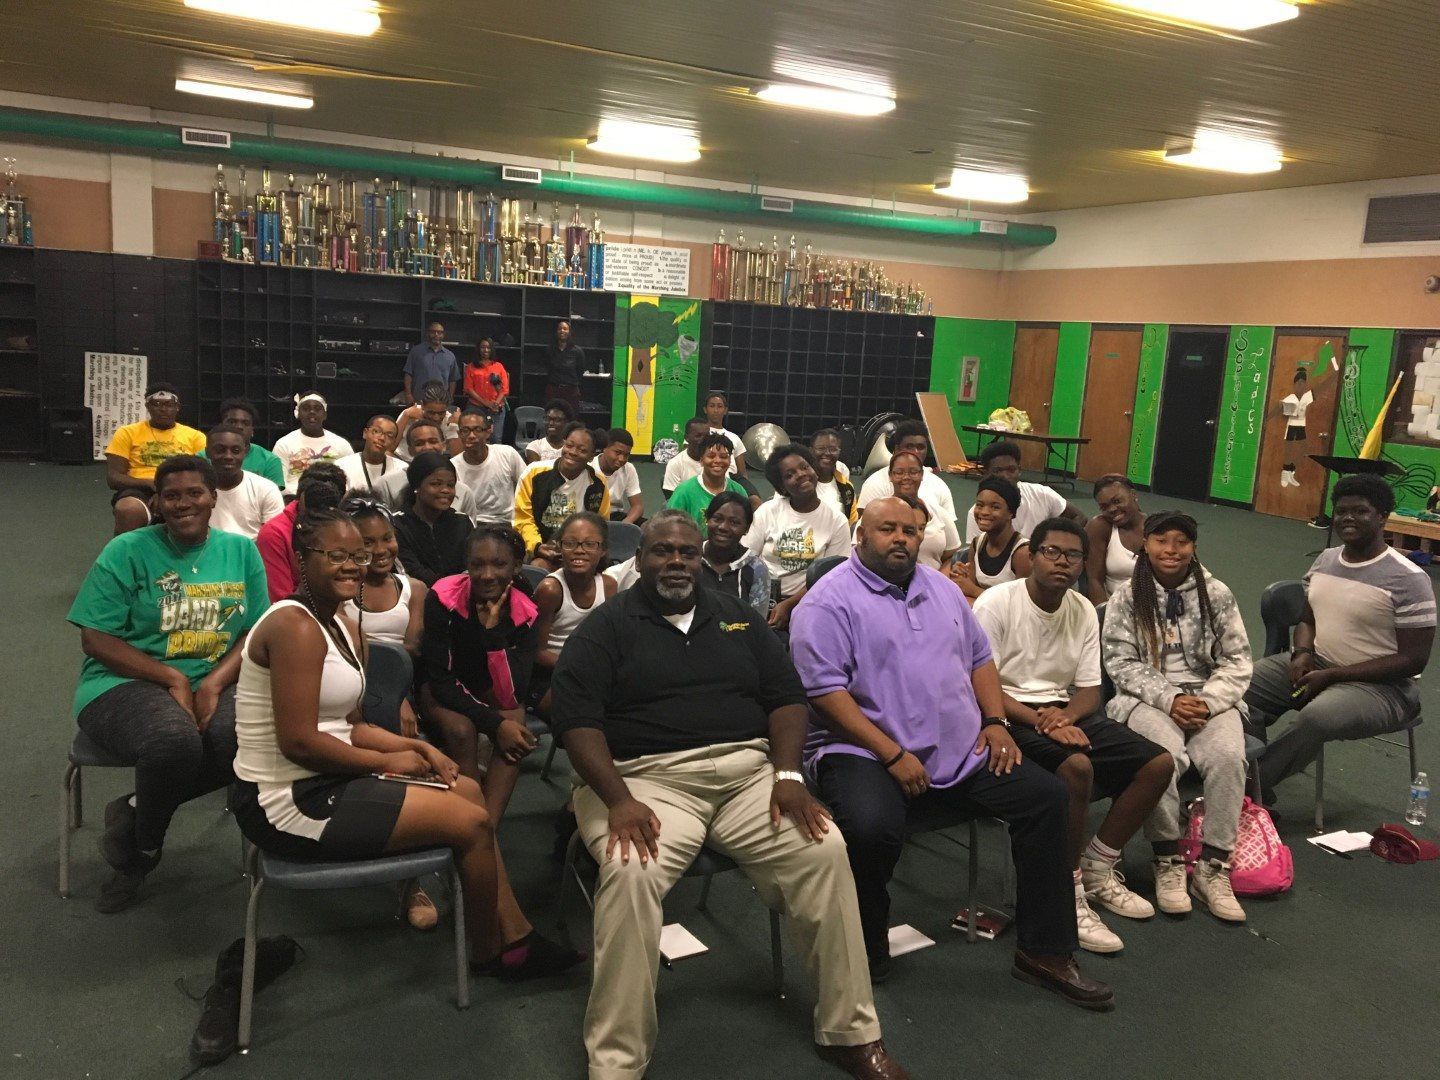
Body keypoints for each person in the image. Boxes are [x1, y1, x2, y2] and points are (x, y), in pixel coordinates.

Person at [550, 510, 908, 1080]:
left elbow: (788, 699)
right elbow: (576, 725)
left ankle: (850, 1032)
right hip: (641, 780)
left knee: (824, 848)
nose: (676, 562)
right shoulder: (606, 626)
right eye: (663, 552)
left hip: (746, 776)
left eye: (686, 553)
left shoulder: (737, 616)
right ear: (640, 559)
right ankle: (617, 1062)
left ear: (700, 559)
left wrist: (788, 776)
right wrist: (618, 800)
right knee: (630, 871)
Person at [232, 506, 579, 979]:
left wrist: (419, 750)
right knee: (473, 822)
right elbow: (301, 744)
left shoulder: (342, 624)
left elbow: (348, 723)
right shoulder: (293, 625)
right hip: (287, 798)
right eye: (336, 555)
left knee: (470, 792)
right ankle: (493, 949)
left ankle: (508, 933)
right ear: (300, 558)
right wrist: (389, 759)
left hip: (326, 776)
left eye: (358, 555)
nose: (352, 565)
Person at [791, 498, 1112, 1008]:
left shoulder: (942, 588)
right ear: (861, 535)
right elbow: (825, 695)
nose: (902, 538)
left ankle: (1044, 952)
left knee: (1046, 798)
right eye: (888, 529)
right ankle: (865, 942)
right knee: (872, 828)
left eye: (912, 531)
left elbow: (981, 661)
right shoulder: (827, 602)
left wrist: (995, 721)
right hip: (863, 748)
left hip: (956, 744)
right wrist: (892, 754)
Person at [68, 454, 268, 912]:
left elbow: (254, 634)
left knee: (242, 740)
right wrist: (172, 677)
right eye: (171, 495)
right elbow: (95, 639)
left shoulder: (240, 551)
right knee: (173, 742)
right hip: (122, 681)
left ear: (213, 498)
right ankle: (141, 855)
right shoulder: (127, 551)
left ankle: (137, 810)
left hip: (217, 677)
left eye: (194, 493)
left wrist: (214, 683)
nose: (183, 503)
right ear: (157, 502)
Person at [974, 519, 1172, 955]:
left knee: (1157, 763)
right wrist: (1043, 721)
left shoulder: (1082, 607)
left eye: (1073, 556)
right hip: (1005, 714)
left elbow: (1090, 690)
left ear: (1085, 562)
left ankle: (1098, 866)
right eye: (1052, 552)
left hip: (1062, 712)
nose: (1062, 562)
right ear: (1032, 555)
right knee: (1077, 767)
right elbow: (978, 682)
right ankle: (1069, 890)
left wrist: (1066, 716)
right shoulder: (996, 603)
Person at [1101, 511, 1251, 924]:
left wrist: (1207, 700)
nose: (1171, 550)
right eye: (1162, 540)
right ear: (1145, 544)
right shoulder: (1128, 597)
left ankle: (1214, 867)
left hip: (1209, 699)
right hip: (1146, 697)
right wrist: (1168, 699)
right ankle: (1167, 859)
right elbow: (1120, 662)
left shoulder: (1216, 593)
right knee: (1163, 759)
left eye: (1181, 541)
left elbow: (1237, 660)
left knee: (1227, 758)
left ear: (1193, 547)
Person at [1246, 474, 1434, 793]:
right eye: (1341, 510)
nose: (1348, 518)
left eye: (1360, 511)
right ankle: (1243, 766)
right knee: (1238, 687)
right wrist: (1302, 653)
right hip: (1320, 664)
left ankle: (1251, 788)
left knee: (1317, 718)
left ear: (1382, 516)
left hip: (1383, 688)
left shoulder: (1409, 579)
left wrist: (1333, 675)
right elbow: (1308, 619)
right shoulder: (1326, 560)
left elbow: (1413, 661)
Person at [419, 526, 542, 786]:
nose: (487, 575)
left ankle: (489, 824)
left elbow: (510, 695)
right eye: (477, 564)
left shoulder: (526, 610)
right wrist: (495, 724)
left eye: (499, 564)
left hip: (489, 689)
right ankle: (473, 808)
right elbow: (441, 680)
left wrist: (493, 635)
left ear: (516, 566)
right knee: (462, 730)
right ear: (467, 565)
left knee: (515, 725)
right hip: (441, 688)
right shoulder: (443, 597)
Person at [744, 444, 851, 630]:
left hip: (812, 602)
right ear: (782, 487)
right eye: (789, 474)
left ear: (814, 470)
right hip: (762, 599)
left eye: (804, 467)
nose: (801, 474)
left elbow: (831, 577)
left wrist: (789, 605)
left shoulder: (836, 520)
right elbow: (747, 558)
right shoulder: (767, 512)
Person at [106, 382, 207, 534]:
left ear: (177, 407)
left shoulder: (195, 437)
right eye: (156, 404)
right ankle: (121, 556)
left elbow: (204, 475)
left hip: (182, 489)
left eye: (169, 404)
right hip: (140, 489)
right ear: (147, 406)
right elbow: (114, 478)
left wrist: (165, 493)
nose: (163, 409)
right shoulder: (127, 432)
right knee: (128, 509)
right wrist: (149, 484)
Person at [514, 423, 610, 569]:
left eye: (582, 450)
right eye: (569, 445)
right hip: (543, 546)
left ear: (591, 457)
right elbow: (523, 518)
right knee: (539, 567)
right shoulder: (534, 473)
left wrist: (583, 549)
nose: (572, 452)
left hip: (581, 549)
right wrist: (537, 546)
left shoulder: (598, 481)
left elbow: (601, 524)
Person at [257, 461, 348, 603]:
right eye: (315, 502)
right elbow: (283, 600)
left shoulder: (344, 528)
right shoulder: (274, 533)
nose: (320, 512)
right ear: (301, 497)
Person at [964, 440, 1085, 544]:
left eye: (1011, 470)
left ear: (1019, 470)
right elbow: (977, 556)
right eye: (997, 470)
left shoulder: (1042, 494)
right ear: (985, 473)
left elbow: (1079, 517)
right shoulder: (979, 513)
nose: (1005, 476)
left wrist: (1056, 542)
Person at [393, 452, 473, 587]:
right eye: (436, 484)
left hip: (460, 595)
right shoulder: (397, 524)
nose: (445, 490)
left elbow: (472, 565)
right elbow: (411, 571)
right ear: (416, 486)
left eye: (450, 485)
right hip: (417, 596)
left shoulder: (463, 522)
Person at [855, 420, 956, 524]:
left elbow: (949, 527)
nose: (916, 452)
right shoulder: (874, 483)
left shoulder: (939, 485)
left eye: (921, 447)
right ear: (897, 449)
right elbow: (865, 528)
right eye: (909, 446)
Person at [952, 476, 1032, 599]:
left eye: (995, 507)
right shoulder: (976, 543)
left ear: (1011, 513)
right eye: (979, 505)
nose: (984, 512)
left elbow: (1022, 604)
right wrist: (962, 577)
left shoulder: (1023, 553)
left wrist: (974, 590)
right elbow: (969, 592)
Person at [374, 421, 476, 513]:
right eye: (419, 443)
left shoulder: (464, 491)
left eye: (433, 441)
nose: (427, 447)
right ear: (410, 450)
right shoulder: (386, 484)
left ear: (444, 445)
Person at [206, 426, 284, 540]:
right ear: (207, 452)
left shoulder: (266, 489)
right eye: (220, 450)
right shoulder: (195, 490)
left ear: (245, 453)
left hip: (253, 554)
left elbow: (273, 539)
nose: (228, 456)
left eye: (236, 451)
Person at [701, 490, 771, 616]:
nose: (723, 527)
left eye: (734, 522)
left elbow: (757, 625)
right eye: (717, 519)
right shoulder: (689, 558)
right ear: (707, 519)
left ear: (747, 528)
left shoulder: (756, 569)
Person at [885, 450, 958, 569]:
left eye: (913, 472)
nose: (906, 477)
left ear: (922, 475)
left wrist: (937, 579)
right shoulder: (875, 512)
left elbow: (952, 555)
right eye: (899, 472)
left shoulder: (939, 513)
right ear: (890, 476)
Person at [451, 409, 526, 526]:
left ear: (488, 432)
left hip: (507, 522)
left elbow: (527, 486)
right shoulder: (453, 466)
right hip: (473, 524)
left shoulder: (507, 453)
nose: (471, 435)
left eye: (477, 430)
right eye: (465, 430)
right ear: (459, 433)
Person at [666, 433, 748, 532]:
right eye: (711, 456)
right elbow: (670, 527)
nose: (717, 460)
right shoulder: (684, 491)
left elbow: (745, 527)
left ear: (730, 460)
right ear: (701, 460)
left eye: (723, 456)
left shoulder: (738, 491)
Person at [272, 394, 350, 496]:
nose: (312, 412)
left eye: (317, 409)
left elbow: (349, 481)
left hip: (333, 504)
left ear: (325, 415)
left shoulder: (341, 444)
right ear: (298, 413)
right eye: (306, 408)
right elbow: (279, 485)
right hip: (294, 502)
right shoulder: (284, 444)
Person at [1084, 474, 1144, 604]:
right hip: (1115, 611)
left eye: (1117, 501)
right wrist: (1103, 618)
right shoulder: (1099, 527)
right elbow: (1094, 580)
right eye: (1104, 507)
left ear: (1133, 495)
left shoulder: (1157, 527)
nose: (1111, 509)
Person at [206, 397, 284, 488]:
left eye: (245, 423)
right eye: (232, 422)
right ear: (221, 425)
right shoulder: (202, 457)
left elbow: (273, 496)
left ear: (252, 429)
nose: (239, 427)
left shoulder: (270, 461)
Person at [663, 416, 738, 497]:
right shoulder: (675, 464)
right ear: (686, 438)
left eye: (706, 436)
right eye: (698, 436)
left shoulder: (719, 461)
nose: (703, 440)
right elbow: (672, 500)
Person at [335, 415, 403, 495]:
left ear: (393, 442)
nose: (382, 438)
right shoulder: (342, 466)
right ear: (365, 433)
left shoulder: (401, 470)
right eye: (376, 431)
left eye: (389, 435)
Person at [396, 381, 462, 462]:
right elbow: (389, 448)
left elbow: (457, 458)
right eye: (431, 412)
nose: (436, 418)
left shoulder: (449, 420)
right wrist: (405, 415)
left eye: (441, 413)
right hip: (401, 460)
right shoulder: (409, 414)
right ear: (423, 405)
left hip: (431, 463)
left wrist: (456, 424)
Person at [592, 428, 644, 524]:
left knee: (648, 526)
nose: (622, 459)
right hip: (592, 516)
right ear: (605, 448)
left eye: (626, 455)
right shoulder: (589, 467)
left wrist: (624, 525)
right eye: (618, 452)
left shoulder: (629, 468)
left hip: (615, 516)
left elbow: (637, 506)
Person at [463, 338, 510, 443]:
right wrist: (486, 403)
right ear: (478, 349)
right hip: (476, 407)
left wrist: (495, 404)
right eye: (483, 347)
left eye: (488, 347)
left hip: (496, 408)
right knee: (474, 437)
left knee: (495, 438)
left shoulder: (499, 366)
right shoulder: (471, 367)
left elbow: (504, 389)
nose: (486, 350)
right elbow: (469, 389)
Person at [404, 321, 459, 407]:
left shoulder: (450, 356)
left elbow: (452, 380)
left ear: (443, 335)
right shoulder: (416, 351)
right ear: (428, 333)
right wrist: (408, 394)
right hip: (419, 399)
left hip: (441, 401)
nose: (436, 335)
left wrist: (450, 397)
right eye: (433, 332)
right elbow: (408, 374)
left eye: (440, 332)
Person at [812, 428, 856, 524]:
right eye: (821, 448)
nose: (827, 453)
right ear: (811, 450)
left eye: (833, 449)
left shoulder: (847, 488)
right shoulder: (797, 483)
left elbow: (852, 524)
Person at [703, 390, 750, 478]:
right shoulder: (697, 434)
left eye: (720, 406)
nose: (715, 410)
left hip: (729, 486)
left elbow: (742, 474)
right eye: (712, 406)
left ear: (725, 410)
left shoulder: (734, 438)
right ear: (705, 409)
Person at [542, 319, 583, 416]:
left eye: (565, 329)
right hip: (553, 389)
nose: (562, 331)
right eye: (560, 329)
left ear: (569, 332)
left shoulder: (577, 351)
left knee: (571, 418)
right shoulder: (550, 349)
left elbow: (580, 371)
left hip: (571, 391)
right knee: (551, 417)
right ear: (556, 332)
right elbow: (547, 367)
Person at [524, 399, 574, 464]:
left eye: (556, 420)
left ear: (567, 422)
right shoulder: (535, 446)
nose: (551, 423)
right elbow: (536, 472)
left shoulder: (572, 448)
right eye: (548, 418)